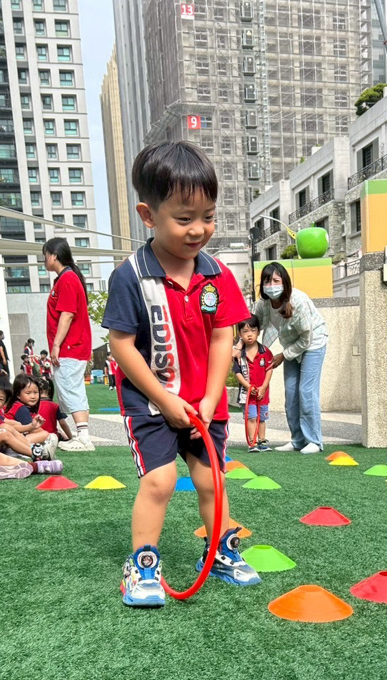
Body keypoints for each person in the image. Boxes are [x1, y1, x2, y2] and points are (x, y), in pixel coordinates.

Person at [103, 141, 261, 608]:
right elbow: (120, 345)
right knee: (160, 482)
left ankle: (220, 552)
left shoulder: (217, 274)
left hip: (203, 404)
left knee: (213, 481)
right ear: (148, 215)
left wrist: (211, 399)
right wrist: (164, 399)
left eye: (208, 217)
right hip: (152, 403)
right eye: (185, 218)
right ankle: (142, 565)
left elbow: (222, 338)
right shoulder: (130, 276)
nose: (199, 230)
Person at [252, 262, 329, 454]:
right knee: (292, 393)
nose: (271, 285)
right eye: (267, 281)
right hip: (292, 346)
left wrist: (283, 356)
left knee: (306, 391)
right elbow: (252, 326)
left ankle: (314, 441)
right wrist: (238, 347)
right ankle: (298, 440)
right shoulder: (264, 304)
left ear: (285, 282)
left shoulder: (298, 302)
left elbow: (306, 339)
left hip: (312, 344)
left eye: (276, 280)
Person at [43, 237, 93, 451]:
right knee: (72, 387)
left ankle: (83, 437)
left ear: (54, 255)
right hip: (71, 345)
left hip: (70, 346)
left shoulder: (67, 279)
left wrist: (56, 345)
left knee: (71, 388)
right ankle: (82, 434)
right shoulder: (65, 278)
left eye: (45, 255)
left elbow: (67, 314)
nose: (44, 260)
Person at [0, 374, 62, 466]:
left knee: (5, 427)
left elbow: (10, 426)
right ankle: (39, 455)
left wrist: (31, 426)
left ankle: (37, 451)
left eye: (1, 399)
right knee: (3, 433)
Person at [232, 316, 273, 453]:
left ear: (258, 332)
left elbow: (269, 369)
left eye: (253, 330)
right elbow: (237, 372)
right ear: (240, 334)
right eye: (245, 331)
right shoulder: (239, 355)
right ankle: (252, 442)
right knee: (251, 417)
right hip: (247, 394)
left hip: (262, 393)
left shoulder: (265, 352)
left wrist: (264, 387)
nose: (249, 334)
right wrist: (248, 386)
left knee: (262, 418)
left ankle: (262, 440)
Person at [3, 373, 58, 452]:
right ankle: (17, 449)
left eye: (35, 392)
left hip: (13, 436)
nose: (33, 396)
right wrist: (48, 435)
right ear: (18, 394)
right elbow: (33, 429)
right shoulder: (20, 408)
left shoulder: (19, 405)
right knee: (46, 435)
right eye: (28, 393)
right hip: (10, 439)